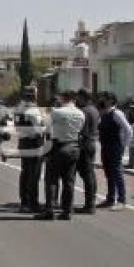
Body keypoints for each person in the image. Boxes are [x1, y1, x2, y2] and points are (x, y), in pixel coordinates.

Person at [35, 91, 84, 221]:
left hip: (58, 146)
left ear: (64, 99)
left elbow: (45, 126)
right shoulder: (80, 113)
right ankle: (67, 211)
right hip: (73, 146)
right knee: (69, 181)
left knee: (51, 179)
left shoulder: (57, 112)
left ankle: (49, 210)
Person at [97, 92, 134, 210]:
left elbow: (128, 130)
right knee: (108, 173)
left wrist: (123, 145)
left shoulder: (117, 113)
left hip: (115, 146)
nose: (103, 100)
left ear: (111, 100)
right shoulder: (104, 113)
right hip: (105, 146)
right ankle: (110, 198)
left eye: (106, 98)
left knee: (117, 173)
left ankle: (121, 200)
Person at [14, 86, 45, 212]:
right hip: (34, 143)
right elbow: (38, 130)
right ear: (33, 96)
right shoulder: (33, 111)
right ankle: (33, 202)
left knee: (25, 172)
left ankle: (24, 200)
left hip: (23, 142)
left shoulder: (18, 109)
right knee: (34, 174)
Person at [74, 89, 99, 214]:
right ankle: (91, 201)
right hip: (92, 142)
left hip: (85, 143)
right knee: (90, 173)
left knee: (86, 174)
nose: (76, 100)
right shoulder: (94, 110)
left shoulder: (84, 111)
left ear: (83, 97)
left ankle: (90, 204)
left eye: (78, 97)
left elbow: (79, 129)